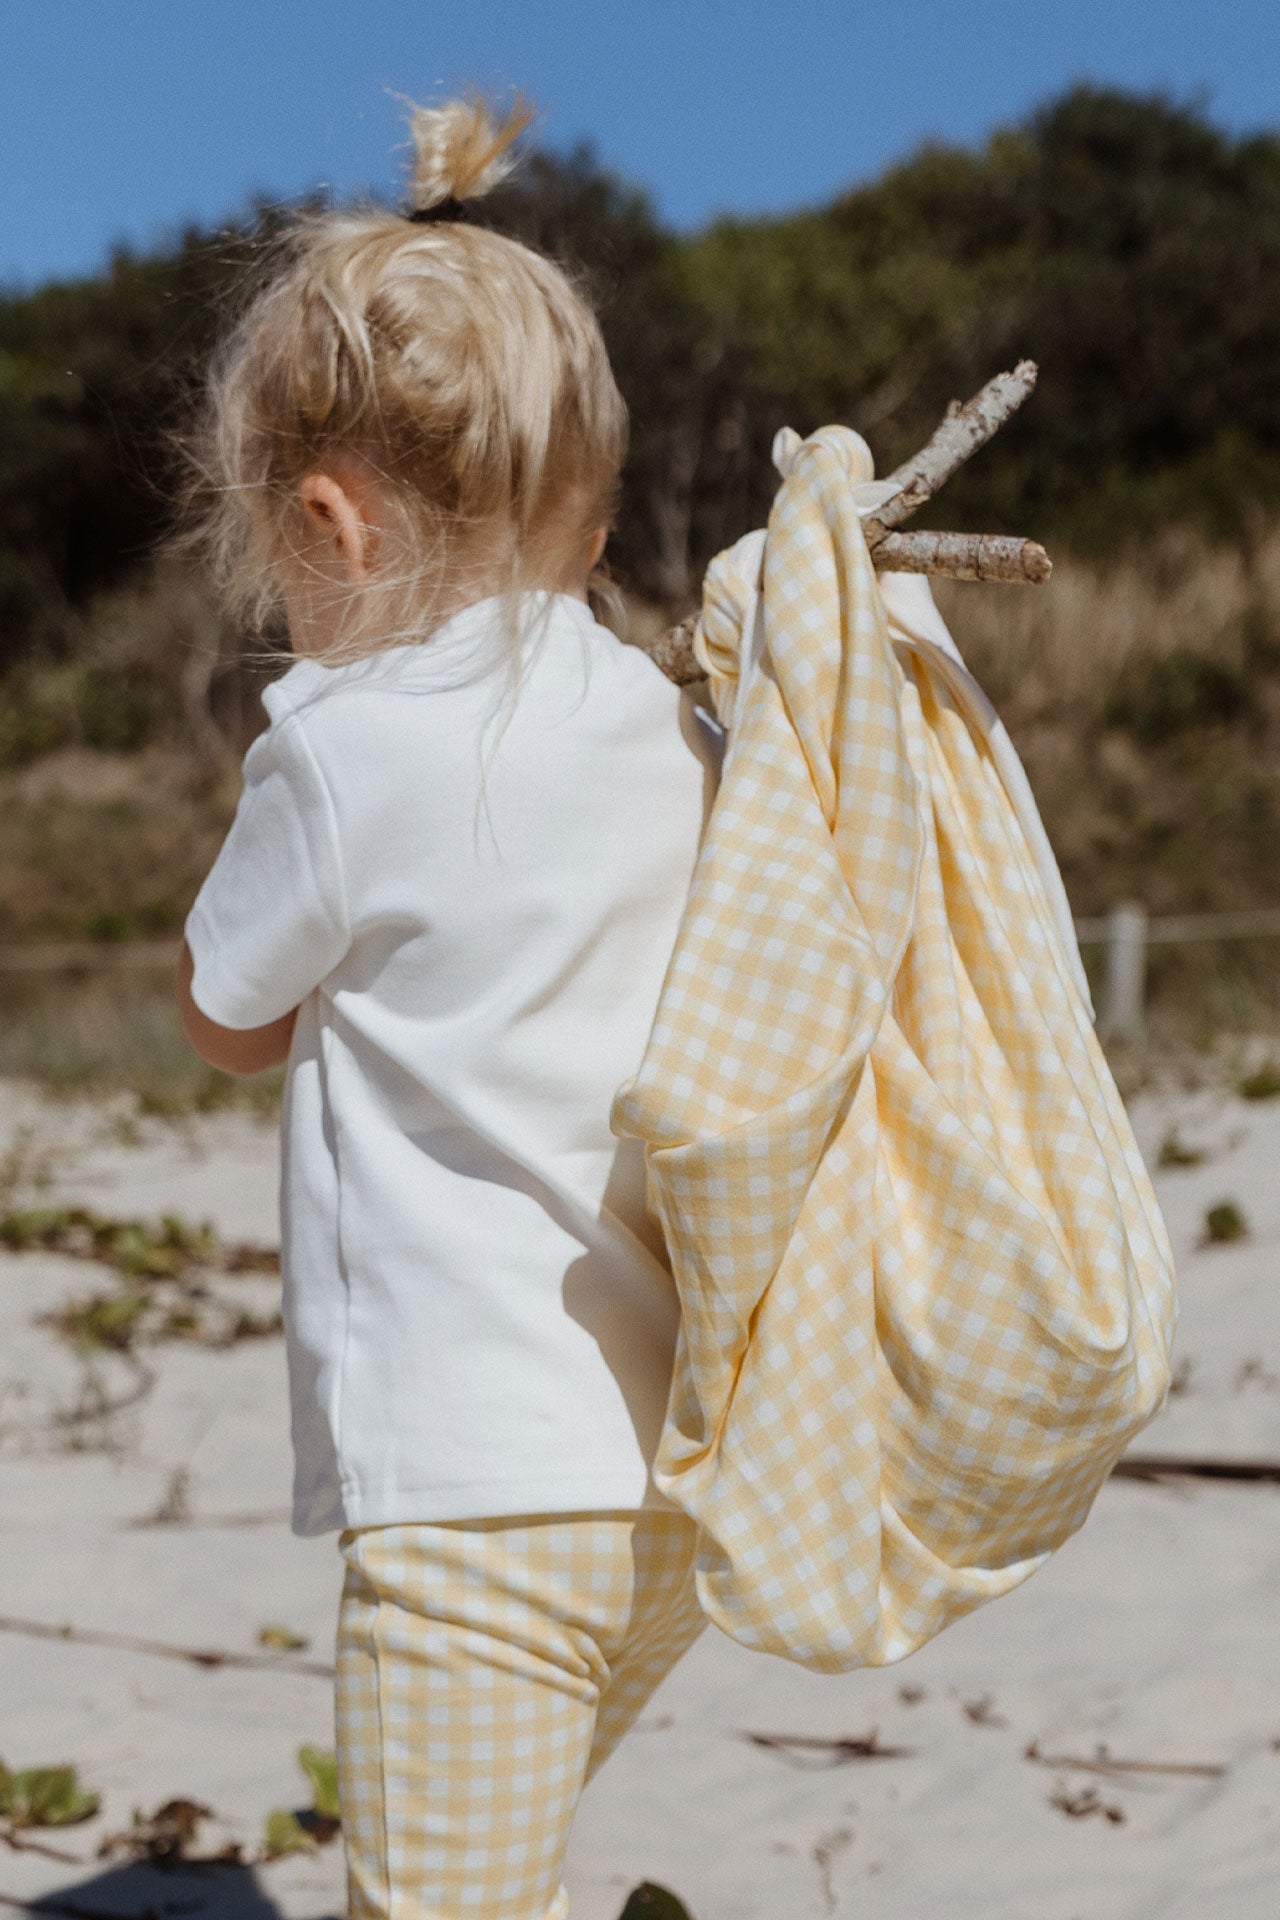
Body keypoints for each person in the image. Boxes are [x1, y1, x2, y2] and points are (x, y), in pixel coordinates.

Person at [176, 95, 722, 1920]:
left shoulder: (340, 746)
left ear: (323, 517)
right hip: (663, 1483)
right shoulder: (674, 723)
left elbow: (224, 1010)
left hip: (473, 1493)